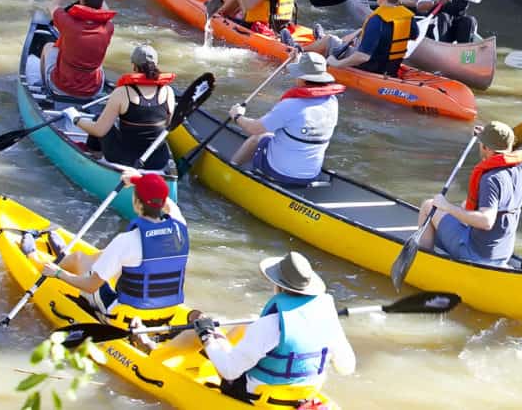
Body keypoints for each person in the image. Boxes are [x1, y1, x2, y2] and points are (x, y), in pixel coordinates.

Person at [23, 170, 188, 319]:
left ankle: (37, 260)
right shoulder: (180, 226)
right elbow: (168, 203)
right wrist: (138, 181)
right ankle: (65, 258)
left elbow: (89, 286)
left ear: (137, 203)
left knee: (80, 259)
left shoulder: (126, 240)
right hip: (168, 314)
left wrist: (59, 273)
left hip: (125, 318)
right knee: (106, 255)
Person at [192, 251, 355, 402]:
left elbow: (229, 371)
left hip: (259, 396)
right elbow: (346, 367)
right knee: (250, 327)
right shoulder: (327, 316)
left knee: (218, 343)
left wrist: (206, 335)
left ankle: (209, 335)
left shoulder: (268, 325)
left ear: (279, 286)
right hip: (306, 393)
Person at [416, 122, 522, 266]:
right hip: (503, 252)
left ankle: (423, 264)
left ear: (485, 147)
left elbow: (486, 221)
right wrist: (486, 135)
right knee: (463, 206)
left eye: (481, 143)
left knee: (428, 206)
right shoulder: (518, 170)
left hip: (477, 255)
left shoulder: (491, 179)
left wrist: (446, 206)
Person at [228, 52, 344, 186]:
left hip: (278, 172)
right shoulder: (332, 101)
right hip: (311, 175)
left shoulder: (291, 105)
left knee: (259, 136)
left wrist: (237, 116)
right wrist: (296, 59)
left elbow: (254, 128)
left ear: (301, 78)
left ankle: (231, 168)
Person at [66, 44, 176, 171]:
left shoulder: (123, 92)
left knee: (98, 119)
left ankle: (94, 155)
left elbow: (99, 131)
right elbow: (168, 125)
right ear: (156, 65)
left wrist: (75, 119)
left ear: (134, 66)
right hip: (158, 160)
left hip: (125, 159)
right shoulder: (168, 91)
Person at [304, 0, 419, 77]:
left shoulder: (377, 20)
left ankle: (298, 50)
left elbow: (363, 57)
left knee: (330, 40)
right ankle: (324, 40)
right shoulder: (408, 17)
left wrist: (336, 63)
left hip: (369, 67)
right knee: (358, 33)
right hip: (391, 67)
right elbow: (413, 36)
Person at [40, 0, 116, 98]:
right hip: (93, 90)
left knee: (48, 47)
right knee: (98, 65)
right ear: (100, 5)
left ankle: (45, 86)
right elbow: (106, 14)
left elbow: (53, 4)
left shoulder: (68, 23)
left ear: (81, 2)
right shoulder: (107, 28)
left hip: (61, 86)